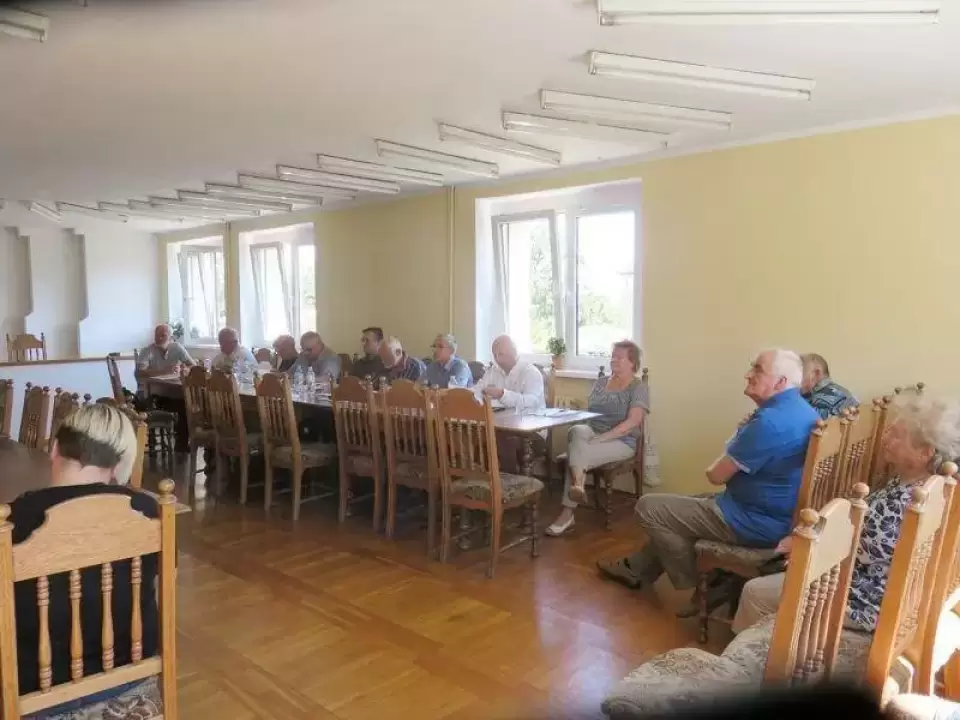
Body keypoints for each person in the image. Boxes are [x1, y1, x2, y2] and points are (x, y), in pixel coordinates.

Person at [597, 349, 819, 617]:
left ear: (780, 382)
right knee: (676, 510)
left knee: (649, 507)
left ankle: (704, 583)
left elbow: (715, 475)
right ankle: (635, 568)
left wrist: (741, 433)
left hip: (750, 520)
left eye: (757, 369)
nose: (748, 374)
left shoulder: (770, 422)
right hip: (773, 513)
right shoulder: (804, 410)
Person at [732, 393, 960, 635]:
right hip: (870, 587)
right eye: (890, 430)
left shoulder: (904, 503)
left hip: (863, 601)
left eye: (897, 435)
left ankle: (749, 653)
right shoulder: (923, 485)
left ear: (925, 452)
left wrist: (806, 547)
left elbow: (857, 550)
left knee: (755, 592)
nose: (885, 438)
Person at [6, 404, 160, 706]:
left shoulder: (14, 521)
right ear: (117, 466)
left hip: (36, 690)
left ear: (54, 449)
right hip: (130, 672)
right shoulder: (147, 511)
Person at [546, 340, 648, 537]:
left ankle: (567, 514)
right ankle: (578, 485)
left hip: (622, 440)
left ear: (632, 363)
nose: (614, 359)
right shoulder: (601, 382)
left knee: (577, 452)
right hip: (592, 432)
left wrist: (602, 438)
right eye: (613, 356)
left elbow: (633, 422)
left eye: (619, 357)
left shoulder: (639, 387)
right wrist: (573, 413)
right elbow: (590, 412)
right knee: (576, 431)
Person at [473, 335, 545, 411]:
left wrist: (502, 394)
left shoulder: (531, 372)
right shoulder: (493, 371)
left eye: (501, 354)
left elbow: (532, 402)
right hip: (502, 417)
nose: (497, 359)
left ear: (513, 352)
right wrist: (477, 400)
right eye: (494, 355)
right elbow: (477, 390)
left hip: (531, 417)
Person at [801, 353, 857, 419]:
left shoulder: (821, 398)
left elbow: (808, 418)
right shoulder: (842, 390)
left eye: (801, 373)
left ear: (817, 373)